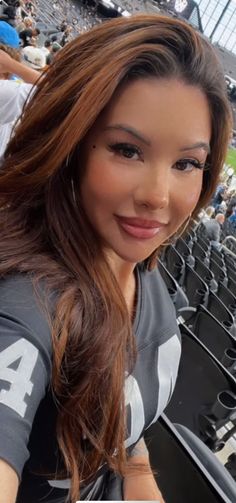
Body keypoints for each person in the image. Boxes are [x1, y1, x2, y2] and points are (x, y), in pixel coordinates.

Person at [0, 13, 232, 503]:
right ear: (72, 147)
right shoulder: (24, 311)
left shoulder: (138, 269)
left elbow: (128, 449)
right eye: (127, 150)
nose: (157, 195)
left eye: (186, 163)